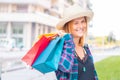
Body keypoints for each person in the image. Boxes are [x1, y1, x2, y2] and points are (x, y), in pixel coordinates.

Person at [55, 4, 98, 80]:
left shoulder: (85, 48)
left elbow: (93, 74)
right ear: (68, 26)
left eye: (83, 21)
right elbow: (65, 67)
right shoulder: (60, 49)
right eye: (76, 23)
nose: (81, 26)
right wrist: (68, 40)